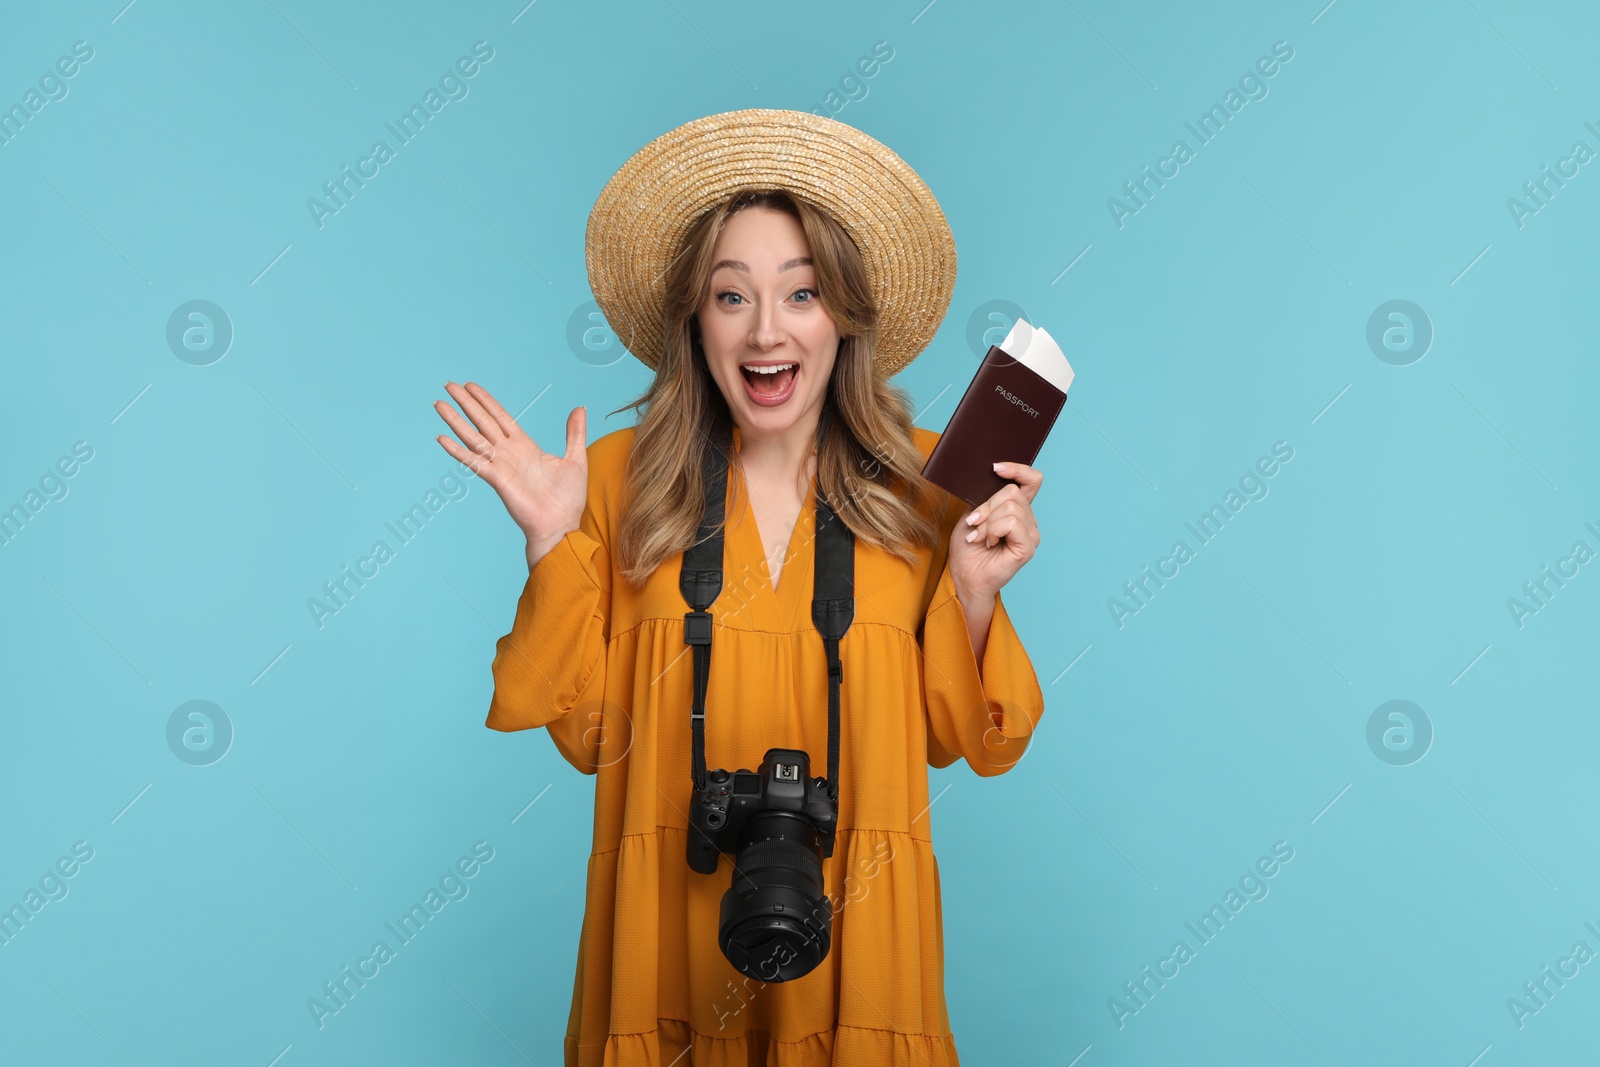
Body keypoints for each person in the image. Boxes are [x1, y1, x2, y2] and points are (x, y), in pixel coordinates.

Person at [433, 108, 1047, 1067]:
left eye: (802, 294)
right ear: (694, 319)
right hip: (665, 947)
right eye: (733, 296)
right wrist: (553, 542)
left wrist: (974, 592)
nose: (768, 330)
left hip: (862, 948)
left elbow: (970, 737)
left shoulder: (933, 491)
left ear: (843, 316)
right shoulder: (610, 482)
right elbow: (592, 737)